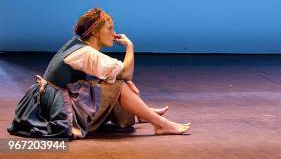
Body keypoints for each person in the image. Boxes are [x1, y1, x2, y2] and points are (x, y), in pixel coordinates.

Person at [7, 8, 191, 138]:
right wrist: (130, 46)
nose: (114, 33)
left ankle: (143, 114)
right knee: (119, 84)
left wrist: (122, 80)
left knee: (117, 82)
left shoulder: (78, 44)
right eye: (110, 28)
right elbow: (126, 73)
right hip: (58, 110)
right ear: (95, 32)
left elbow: (112, 74)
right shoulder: (86, 53)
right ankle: (160, 124)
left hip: (52, 99)